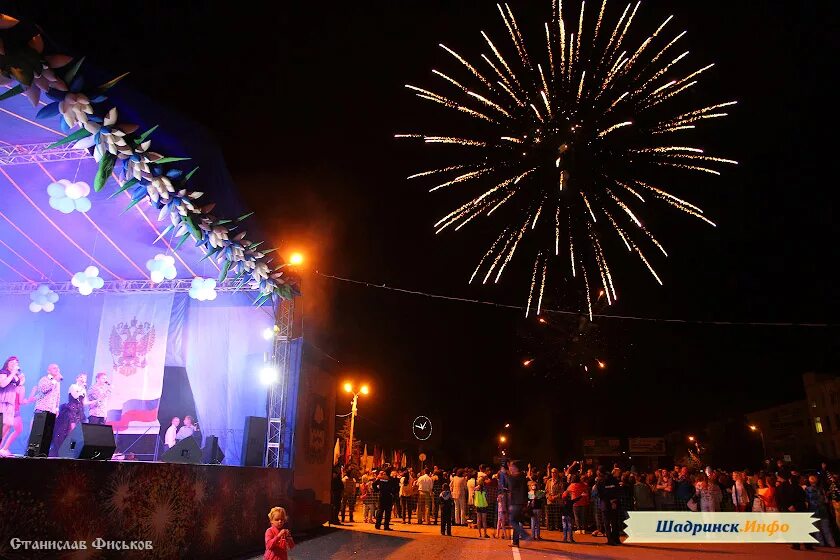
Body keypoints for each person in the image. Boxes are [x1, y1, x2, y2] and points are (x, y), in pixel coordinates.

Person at [49, 373, 88, 457]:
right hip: (71, 410)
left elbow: (84, 402)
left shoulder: (83, 389)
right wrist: (82, 388)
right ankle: (65, 449)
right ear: (77, 378)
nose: (83, 379)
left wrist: (98, 399)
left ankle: (72, 450)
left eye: (84, 378)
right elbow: (75, 395)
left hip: (79, 411)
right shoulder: (73, 386)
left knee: (77, 432)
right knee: (71, 431)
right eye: (81, 377)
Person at [777, 472, 813, 551]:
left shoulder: (786, 487)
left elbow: (784, 498)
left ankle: (796, 545)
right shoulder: (799, 488)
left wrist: (789, 506)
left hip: (794, 509)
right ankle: (808, 545)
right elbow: (803, 498)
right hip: (801, 509)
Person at [0, 358, 24, 457]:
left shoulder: (14, 376)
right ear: (7, 363)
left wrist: (21, 379)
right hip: (2, 401)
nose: (14, 364)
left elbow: (18, 387)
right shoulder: (3, 372)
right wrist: (13, 373)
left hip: (10, 403)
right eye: (12, 362)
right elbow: (3, 383)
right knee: (2, 425)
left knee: (8, 425)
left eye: (16, 363)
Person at [806, 474, 836, 547]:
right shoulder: (821, 489)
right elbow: (826, 500)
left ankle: (821, 543)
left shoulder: (807, 489)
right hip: (822, 510)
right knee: (826, 528)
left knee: (817, 529)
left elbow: (807, 501)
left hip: (813, 510)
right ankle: (831, 543)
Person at [596, 466, 622, 546]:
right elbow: (618, 490)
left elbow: (600, 494)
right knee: (614, 522)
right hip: (614, 503)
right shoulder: (614, 479)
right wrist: (614, 500)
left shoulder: (599, 481)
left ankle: (610, 540)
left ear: (600, 472)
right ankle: (616, 539)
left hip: (605, 504)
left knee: (607, 523)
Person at [507, 460, 530, 546]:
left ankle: (525, 535)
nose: (510, 468)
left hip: (517, 502)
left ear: (516, 467)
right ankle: (515, 542)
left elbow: (511, 485)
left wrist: (506, 474)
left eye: (511, 466)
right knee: (516, 522)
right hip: (519, 502)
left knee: (512, 521)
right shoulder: (521, 477)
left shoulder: (516, 477)